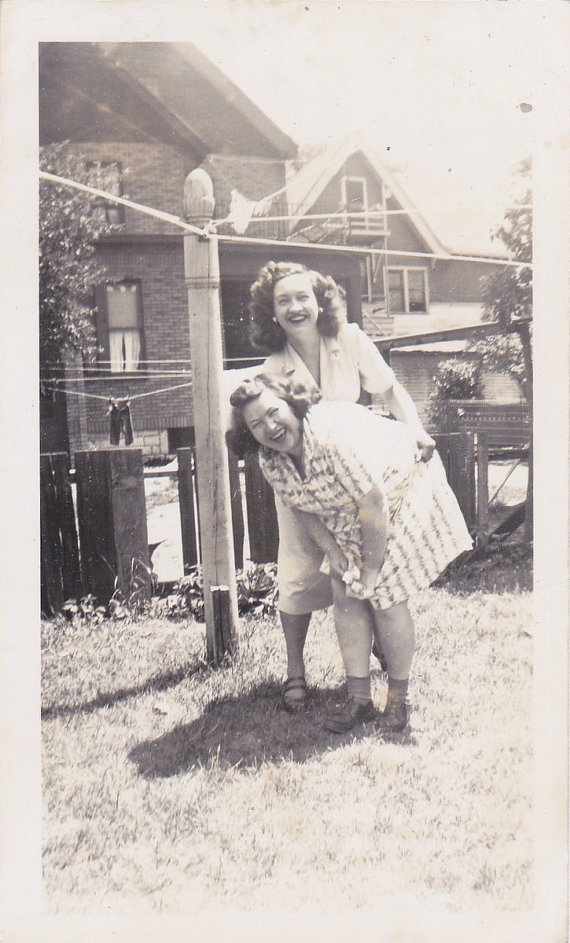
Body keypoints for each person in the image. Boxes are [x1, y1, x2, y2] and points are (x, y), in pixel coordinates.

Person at [227, 375, 472, 734]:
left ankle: (398, 701)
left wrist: (370, 570)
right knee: (344, 592)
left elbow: (373, 504)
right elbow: (303, 509)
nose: (270, 427)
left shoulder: (329, 440)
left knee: (384, 594)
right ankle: (359, 698)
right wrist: (333, 553)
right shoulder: (271, 462)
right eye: (256, 424)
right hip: (352, 509)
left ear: (293, 404)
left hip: (399, 484)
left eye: (273, 412)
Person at [247, 260, 436, 711]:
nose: (295, 308)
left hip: (357, 473)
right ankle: (295, 671)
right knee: (299, 569)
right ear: (271, 312)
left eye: (302, 298)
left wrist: (416, 430)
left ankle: (379, 661)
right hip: (305, 484)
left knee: (367, 562)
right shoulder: (273, 368)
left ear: (319, 302)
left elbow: (389, 392)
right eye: (283, 301)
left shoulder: (349, 339)